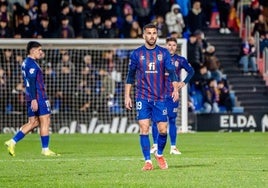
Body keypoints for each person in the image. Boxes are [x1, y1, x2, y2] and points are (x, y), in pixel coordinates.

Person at [124, 23, 179, 171]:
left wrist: (175, 88)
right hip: (142, 97)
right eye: (149, 33)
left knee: (162, 130)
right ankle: (148, 161)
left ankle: (159, 155)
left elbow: (172, 72)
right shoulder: (136, 54)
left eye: (154, 33)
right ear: (143, 35)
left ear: (157, 35)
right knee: (144, 128)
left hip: (160, 98)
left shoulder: (164, 53)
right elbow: (130, 76)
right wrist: (127, 96)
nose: (152, 36)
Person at [4, 41, 59, 157]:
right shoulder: (32, 65)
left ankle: (12, 141)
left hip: (30, 96)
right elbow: (31, 83)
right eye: (39, 50)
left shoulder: (26, 63)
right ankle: (45, 149)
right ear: (33, 50)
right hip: (38, 97)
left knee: (33, 122)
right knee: (45, 120)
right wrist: (34, 99)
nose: (41, 52)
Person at [150, 37, 194, 155]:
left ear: (176, 47)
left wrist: (183, 83)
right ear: (166, 46)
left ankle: (173, 147)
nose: (171, 47)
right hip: (158, 94)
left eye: (174, 45)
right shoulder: (159, 58)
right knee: (155, 120)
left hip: (172, 94)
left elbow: (191, 71)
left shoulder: (180, 60)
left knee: (172, 120)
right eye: (169, 45)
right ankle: (154, 145)